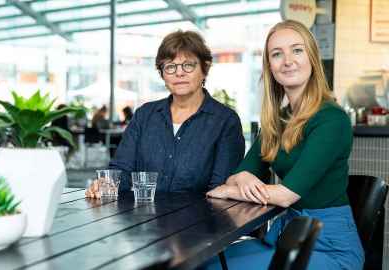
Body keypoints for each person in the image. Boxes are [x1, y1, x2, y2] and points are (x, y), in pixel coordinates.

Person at [202, 20, 364, 269]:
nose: (287, 60)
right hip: (286, 237)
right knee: (203, 261)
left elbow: (285, 196)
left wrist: (230, 191)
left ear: (312, 57)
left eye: (297, 50)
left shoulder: (331, 119)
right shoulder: (277, 121)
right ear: (270, 67)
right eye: (277, 54)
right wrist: (241, 179)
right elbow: (238, 175)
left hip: (329, 248)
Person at [86, 30, 245, 198]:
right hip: (142, 220)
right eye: (170, 66)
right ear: (162, 74)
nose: (179, 73)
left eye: (188, 65)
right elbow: (121, 170)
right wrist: (106, 184)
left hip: (201, 220)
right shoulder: (144, 115)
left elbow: (220, 191)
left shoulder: (225, 121)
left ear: (205, 69)